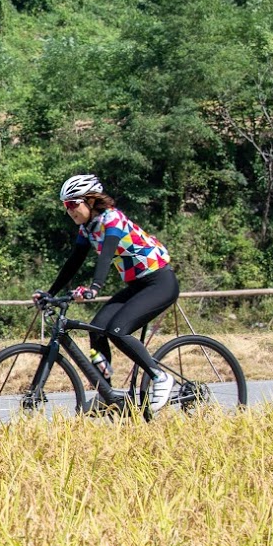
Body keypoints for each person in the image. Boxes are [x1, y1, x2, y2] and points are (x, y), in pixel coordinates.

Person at [37, 174, 176, 414]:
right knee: (98, 329)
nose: (69, 210)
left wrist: (95, 288)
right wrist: (49, 293)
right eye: (65, 206)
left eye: (73, 204)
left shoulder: (113, 219)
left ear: (90, 201)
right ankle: (108, 394)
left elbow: (106, 255)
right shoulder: (87, 228)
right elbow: (73, 262)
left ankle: (159, 376)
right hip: (138, 286)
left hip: (160, 282)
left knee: (118, 330)